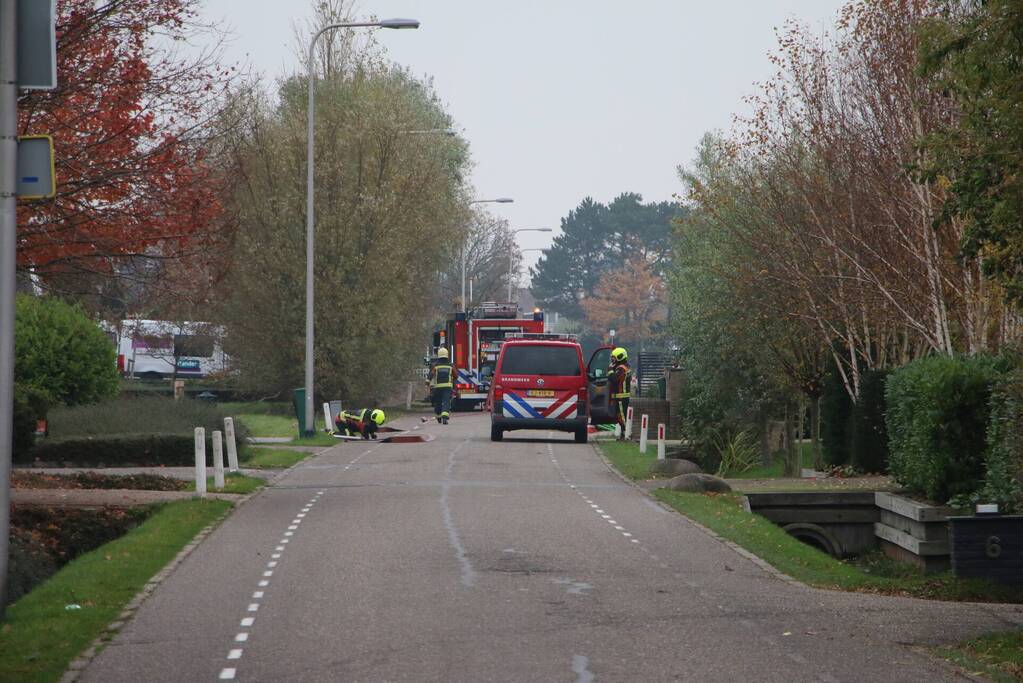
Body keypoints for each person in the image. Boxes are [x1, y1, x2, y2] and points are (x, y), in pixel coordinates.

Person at [608, 346, 631, 439]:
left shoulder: (621, 368)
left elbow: (614, 379)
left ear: (620, 357)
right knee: (621, 415)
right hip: (622, 396)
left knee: (622, 416)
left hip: (621, 397)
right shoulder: (625, 366)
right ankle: (624, 433)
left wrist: (610, 370)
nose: (612, 360)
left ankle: (626, 433)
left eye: (614, 358)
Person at [428, 347, 454, 425]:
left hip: (438, 387)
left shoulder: (435, 365)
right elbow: (456, 375)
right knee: (446, 401)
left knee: (438, 402)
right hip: (447, 387)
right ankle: (445, 417)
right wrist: (453, 379)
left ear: (439, 355)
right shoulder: (450, 365)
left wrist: (427, 382)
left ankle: (439, 416)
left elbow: (431, 374)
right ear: (447, 355)